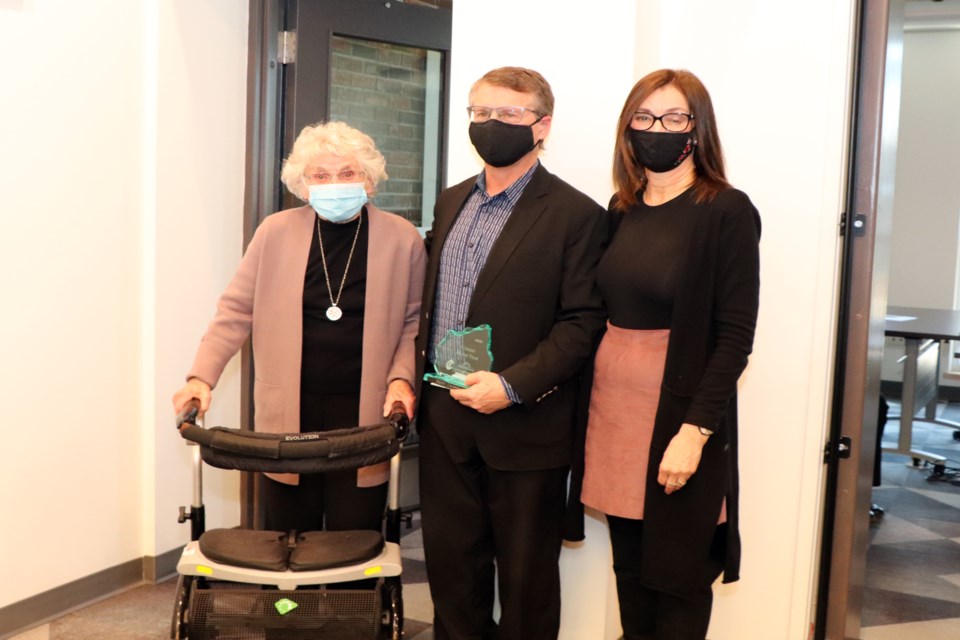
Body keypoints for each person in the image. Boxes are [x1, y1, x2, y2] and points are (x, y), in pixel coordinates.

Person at [414, 67, 608, 639]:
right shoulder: (451, 202)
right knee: (452, 575)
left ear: (542, 125)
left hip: (524, 423)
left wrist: (511, 385)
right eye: (480, 112)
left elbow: (582, 323)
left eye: (509, 113)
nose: (491, 123)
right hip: (446, 414)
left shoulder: (577, 215)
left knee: (525, 587)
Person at [172, 121, 426, 535]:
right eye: (320, 176)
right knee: (289, 536)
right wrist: (201, 377)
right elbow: (235, 311)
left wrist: (401, 380)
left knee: (354, 535)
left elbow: (412, 323)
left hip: (365, 411)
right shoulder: (275, 232)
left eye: (348, 173)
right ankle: (288, 605)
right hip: (290, 409)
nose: (334, 184)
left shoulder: (403, 239)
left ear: (369, 180)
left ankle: (352, 602)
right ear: (303, 185)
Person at [581, 69, 760, 639]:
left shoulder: (726, 212)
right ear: (627, 128)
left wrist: (694, 431)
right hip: (613, 416)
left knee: (679, 577)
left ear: (697, 129)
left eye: (674, 118)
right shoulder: (622, 207)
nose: (656, 129)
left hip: (680, 416)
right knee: (631, 570)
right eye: (644, 117)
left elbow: (734, 335)